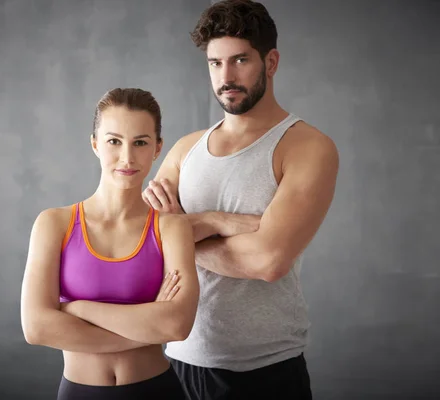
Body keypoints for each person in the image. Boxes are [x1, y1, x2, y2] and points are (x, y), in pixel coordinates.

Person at [142, 1, 340, 399]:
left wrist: (181, 231)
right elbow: (144, 245)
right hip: (175, 361)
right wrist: (216, 220)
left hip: (263, 371)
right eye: (215, 63)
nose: (226, 77)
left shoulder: (306, 147)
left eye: (239, 60)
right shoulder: (185, 149)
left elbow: (267, 262)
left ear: (271, 62)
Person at [20, 88, 199, 400]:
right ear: (95, 144)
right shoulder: (54, 224)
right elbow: (37, 328)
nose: (127, 157)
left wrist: (78, 309)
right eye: (114, 141)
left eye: (140, 142)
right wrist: (147, 326)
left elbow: (177, 325)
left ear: (157, 148)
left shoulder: (172, 228)